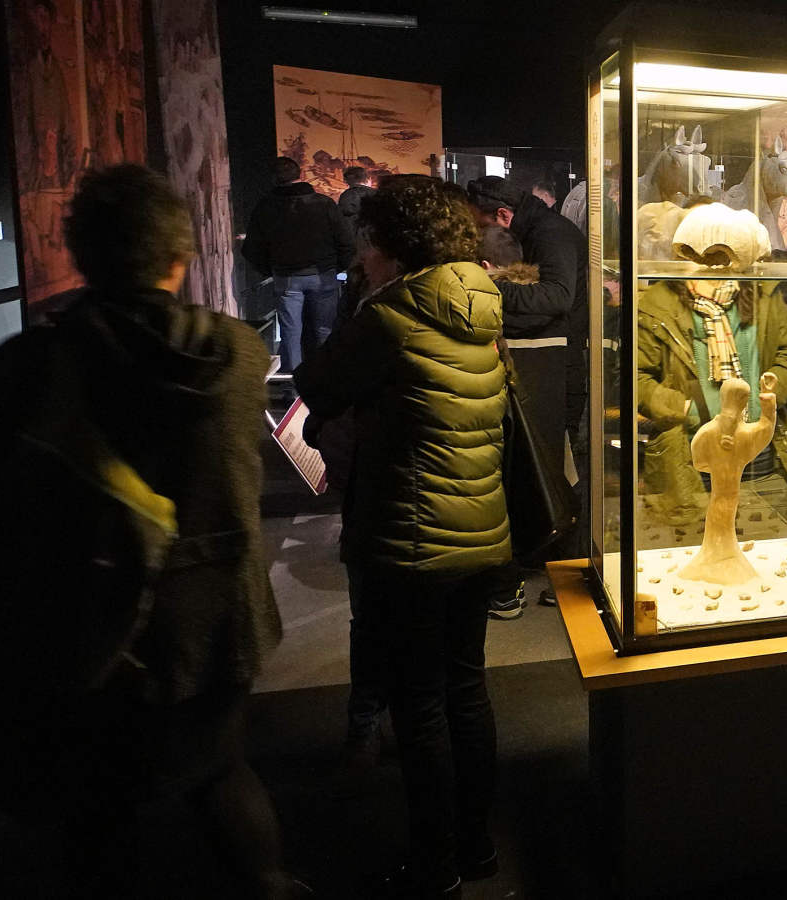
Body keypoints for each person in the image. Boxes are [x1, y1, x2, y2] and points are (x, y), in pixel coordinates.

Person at [0, 164, 293, 897]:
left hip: (91, 629)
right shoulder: (238, 357)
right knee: (218, 771)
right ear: (181, 258)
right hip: (218, 621)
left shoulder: (34, 365)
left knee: (95, 817)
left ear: (80, 256)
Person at [295, 174, 511, 896]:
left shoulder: (387, 317)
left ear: (390, 244)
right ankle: (476, 848)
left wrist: (365, 298)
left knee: (418, 706)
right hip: (480, 530)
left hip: (409, 540)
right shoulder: (483, 302)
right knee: (466, 692)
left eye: (368, 240)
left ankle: (434, 867)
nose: (361, 252)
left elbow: (318, 385)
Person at [469, 172, 588, 560]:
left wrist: (486, 283)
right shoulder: (540, 228)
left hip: (559, 360)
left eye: (479, 224)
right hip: (552, 355)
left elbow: (556, 297)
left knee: (553, 460)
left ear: (503, 215)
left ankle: (560, 553)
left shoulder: (552, 234)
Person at [244, 156, 354, 371]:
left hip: (286, 278)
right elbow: (345, 241)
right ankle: (325, 381)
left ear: (274, 178)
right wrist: (336, 268)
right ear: (300, 175)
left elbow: (252, 249)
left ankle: (292, 388)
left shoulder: (266, 206)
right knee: (325, 331)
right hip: (323, 275)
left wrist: (273, 270)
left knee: (290, 334)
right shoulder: (323, 204)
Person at [339, 165, 379, 235]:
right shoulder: (375, 193)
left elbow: (345, 211)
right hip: (374, 231)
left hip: (355, 231)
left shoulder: (347, 194)